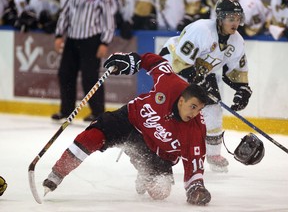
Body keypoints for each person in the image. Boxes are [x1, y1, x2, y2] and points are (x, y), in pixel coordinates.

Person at [43, 52, 212, 206]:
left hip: (158, 152)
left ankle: (143, 168)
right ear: (181, 100)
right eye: (193, 107)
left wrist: (196, 189)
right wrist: (132, 60)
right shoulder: (169, 82)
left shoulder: (195, 130)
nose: (195, 113)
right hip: (131, 120)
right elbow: (154, 62)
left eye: (199, 110)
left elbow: (194, 165)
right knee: (92, 137)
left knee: (160, 192)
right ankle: (57, 174)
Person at [159, 0, 252, 172]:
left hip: (200, 72)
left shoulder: (237, 41)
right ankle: (159, 148)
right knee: (172, 107)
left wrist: (243, 89)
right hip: (171, 63)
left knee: (213, 105)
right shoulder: (201, 30)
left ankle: (213, 153)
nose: (235, 23)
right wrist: (196, 79)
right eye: (231, 18)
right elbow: (180, 62)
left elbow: (235, 71)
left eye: (238, 18)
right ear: (220, 18)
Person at [51, 0, 117, 122]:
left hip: (91, 40)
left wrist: (105, 42)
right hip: (72, 39)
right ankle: (66, 110)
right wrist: (59, 34)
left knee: (90, 77)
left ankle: (97, 113)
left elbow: (108, 20)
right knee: (65, 74)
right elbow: (65, 14)